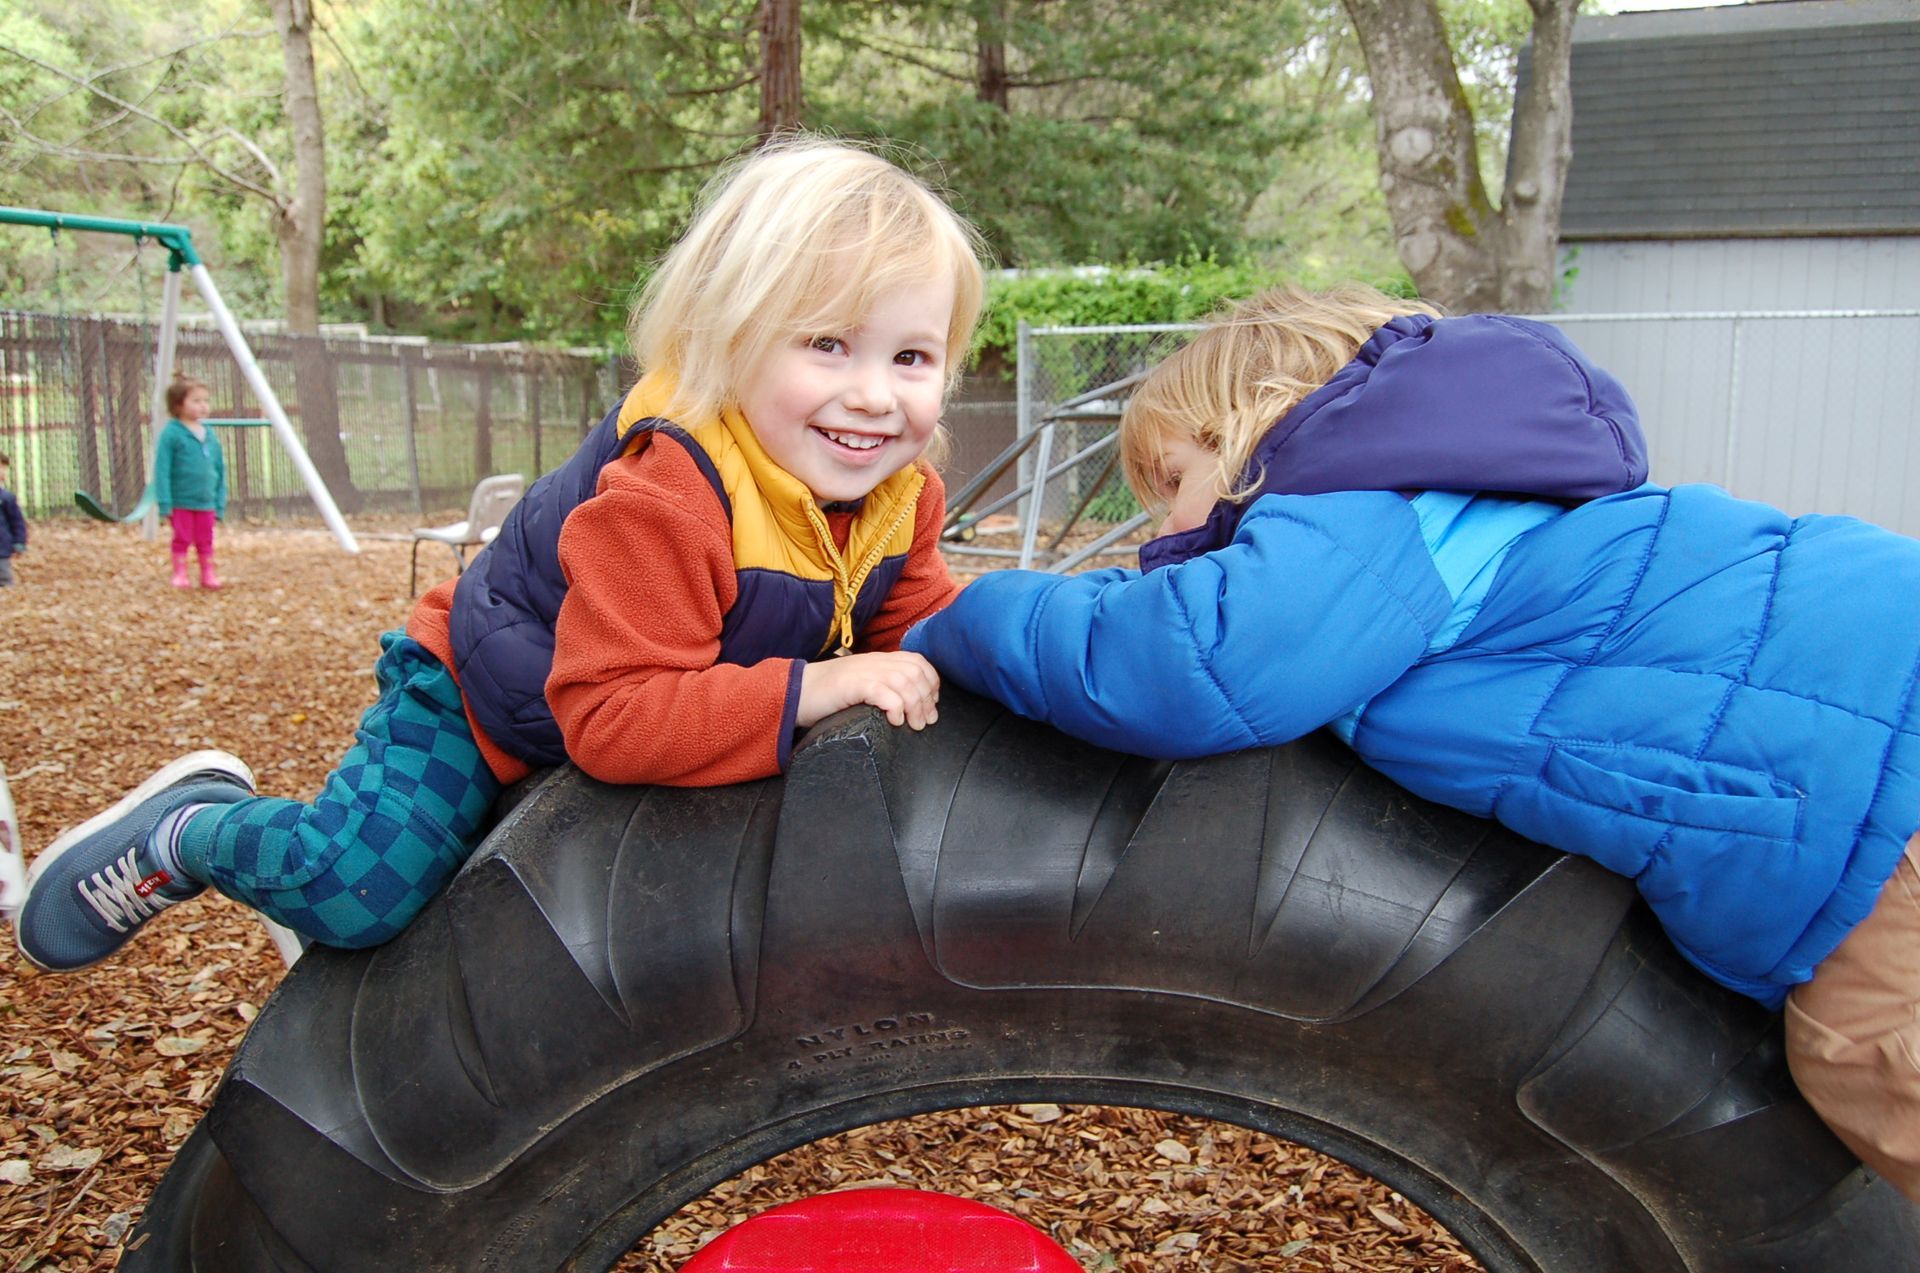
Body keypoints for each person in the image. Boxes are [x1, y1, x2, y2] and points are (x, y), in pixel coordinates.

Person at [904, 283, 1920, 1201]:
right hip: (1878, 705)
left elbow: (1189, 664)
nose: (1160, 522)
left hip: (1884, 796)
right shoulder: (1444, 496)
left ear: (1252, 424)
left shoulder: (1360, 505)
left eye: (1170, 479)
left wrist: (950, 617)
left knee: (1867, 1055)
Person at [16, 135, 985, 974]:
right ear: (723, 342)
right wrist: (822, 683)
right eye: (827, 343)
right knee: (361, 892)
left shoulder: (902, 496)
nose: (873, 396)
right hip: (484, 698)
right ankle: (190, 831)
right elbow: (611, 714)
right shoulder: (673, 491)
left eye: (911, 358)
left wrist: (1024, 646)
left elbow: (923, 631)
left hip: (630, 716)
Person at [153, 371, 228, 589]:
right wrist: (165, 502)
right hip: (181, 500)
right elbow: (162, 469)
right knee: (182, 537)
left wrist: (219, 501)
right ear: (178, 404)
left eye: (205, 401)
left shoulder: (210, 434)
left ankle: (207, 572)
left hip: (205, 500)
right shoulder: (172, 434)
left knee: (205, 538)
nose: (203, 406)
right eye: (196, 401)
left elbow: (219, 469)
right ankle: (180, 573)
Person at [0, 451, 25, 587]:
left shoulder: (6, 498)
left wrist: (19, 542)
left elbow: (17, 522)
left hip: (1, 551)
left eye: (3, 468)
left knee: (4, 580)